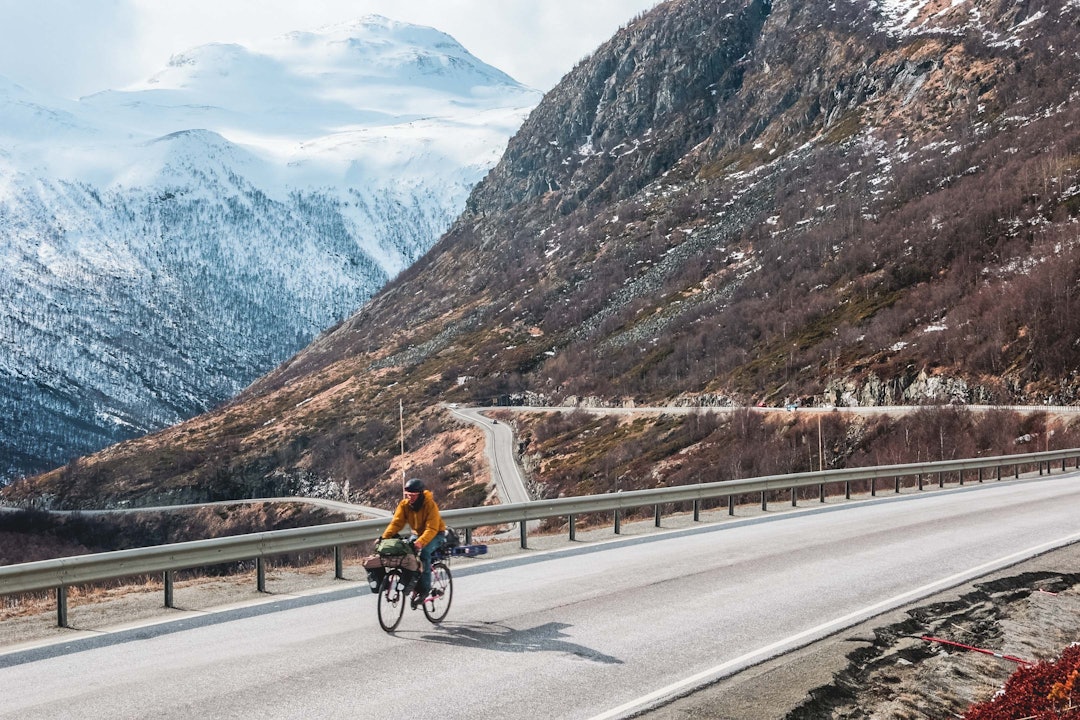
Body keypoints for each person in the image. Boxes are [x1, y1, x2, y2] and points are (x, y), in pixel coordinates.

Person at [380, 477, 447, 608]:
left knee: (424, 555)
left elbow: (431, 528)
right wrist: (385, 538)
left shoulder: (429, 505)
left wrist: (421, 542)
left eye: (413, 495)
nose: (410, 497)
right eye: (408, 495)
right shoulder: (405, 505)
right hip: (417, 534)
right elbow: (396, 523)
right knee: (405, 554)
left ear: (420, 494)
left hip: (436, 534)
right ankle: (413, 582)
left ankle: (425, 590)